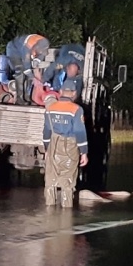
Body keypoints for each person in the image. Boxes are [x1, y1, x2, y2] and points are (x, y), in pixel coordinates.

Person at [42, 78, 89, 207]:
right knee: (67, 183)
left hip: (53, 145)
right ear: (74, 93)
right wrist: (84, 153)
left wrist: (46, 149)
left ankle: (49, 211)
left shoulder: (50, 108)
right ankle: (66, 214)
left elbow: (46, 131)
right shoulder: (76, 109)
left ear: (61, 92)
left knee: (50, 182)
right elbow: (80, 132)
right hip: (70, 147)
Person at [5, 34, 50, 105]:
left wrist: (36, 66)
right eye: (40, 52)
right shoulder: (27, 48)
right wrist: (34, 78)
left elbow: (39, 59)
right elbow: (27, 69)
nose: (41, 53)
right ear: (36, 48)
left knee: (30, 74)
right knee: (20, 72)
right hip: (14, 51)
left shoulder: (44, 43)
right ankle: (19, 99)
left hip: (28, 50)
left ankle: (27, 96)